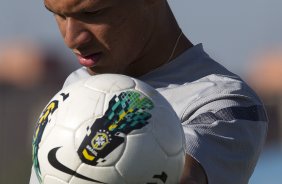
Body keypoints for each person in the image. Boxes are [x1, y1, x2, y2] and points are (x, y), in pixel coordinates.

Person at [30, 0, 268, 183]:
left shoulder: (226, 103)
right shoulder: (76, 86)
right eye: (58, 14)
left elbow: (183, 177)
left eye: (92, 13)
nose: (72, 38)